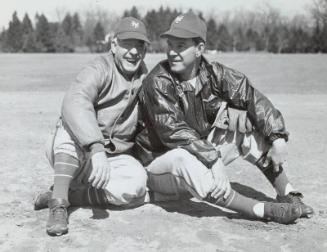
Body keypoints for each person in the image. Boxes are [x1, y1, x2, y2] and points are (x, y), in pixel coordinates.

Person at [134, 11, 314, 224]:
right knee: (182, 157)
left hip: (198, 154)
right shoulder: (158, 81)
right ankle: (261, 210)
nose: (172, 52)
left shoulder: (213, 74)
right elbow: (174, 132)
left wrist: (277, 138)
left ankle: (287, 193)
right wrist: (213, 159)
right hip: (159, 166)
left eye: (180, 46)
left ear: (200, 49)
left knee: (245, 126)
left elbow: (250, 96)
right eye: (170, 45)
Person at [34, 17, 150, 236]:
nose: (134, 51)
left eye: (140, 45)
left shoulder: (146, 78)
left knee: (137, 182)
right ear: (114, 45)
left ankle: (71, 196)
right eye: (127, 43)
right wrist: (96, 148)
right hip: (76, 153)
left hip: (110, 160)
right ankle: (58, 203)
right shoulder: (99, 68)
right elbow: (75, 101)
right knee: (68, 124)